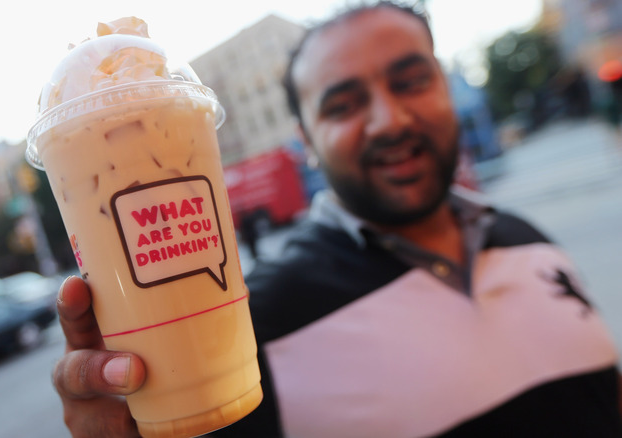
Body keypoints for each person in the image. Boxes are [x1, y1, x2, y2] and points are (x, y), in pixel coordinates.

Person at [51, 2, 622, 437]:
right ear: (305, 142)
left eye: (410, 81)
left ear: (446, 90)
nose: (389, 120)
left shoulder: (531, 241)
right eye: (343, 103)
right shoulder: (258, 325)